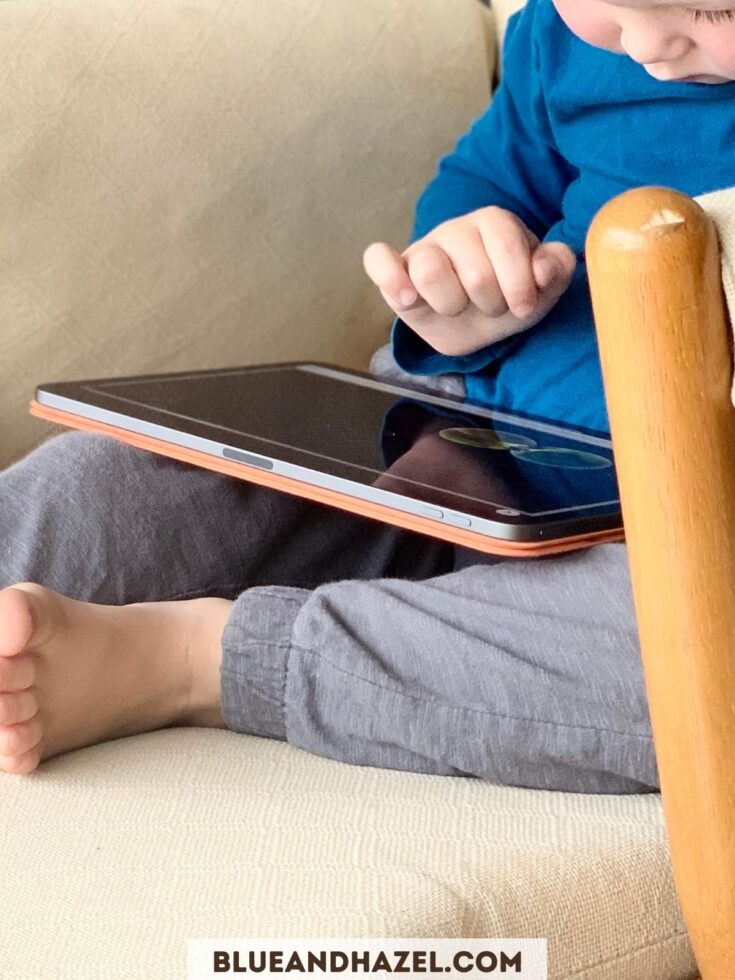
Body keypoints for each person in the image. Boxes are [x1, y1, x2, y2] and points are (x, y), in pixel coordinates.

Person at [1, 0, 731, 788]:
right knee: (102, 484)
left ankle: (190, 660)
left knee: (690, 661)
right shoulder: (560, 42)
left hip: (665, 541)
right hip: (468, 433)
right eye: (608, 8)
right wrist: (458, 291)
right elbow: (486, 187)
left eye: (708, 9)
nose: (651, 45)